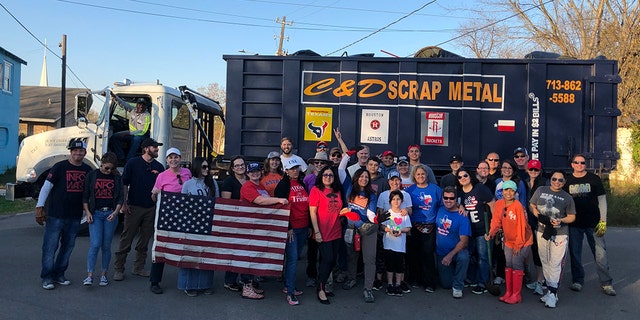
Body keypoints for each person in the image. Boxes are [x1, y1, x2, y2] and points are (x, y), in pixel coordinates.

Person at [36, 140, 92, 290]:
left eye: (81, 151)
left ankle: (59, 274)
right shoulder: (59, 167)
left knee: (67, 247)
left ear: (85, 153)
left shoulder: (87, 170)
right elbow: (46, 186)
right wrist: (40, 206)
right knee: (50, 247)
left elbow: (90, 192)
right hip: (55, 214)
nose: (78, 153)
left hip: (74, 216)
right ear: (70, 151)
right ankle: (47, 277)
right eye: (75, 150)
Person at [564, 154, 617, 296]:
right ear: (572, 164)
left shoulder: (594, 179)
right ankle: (577, 281)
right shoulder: (567, 181)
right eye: (577, 162)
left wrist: (603, 221)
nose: (580, 165)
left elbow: (602, 200)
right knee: (575, 254)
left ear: (585, 164)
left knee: (600, 254)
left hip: (594, 224)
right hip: (575, 224)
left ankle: (606, 283)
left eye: (582, 162)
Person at [113, 138, 164, 283]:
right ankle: (118, 268)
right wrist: (124, 203)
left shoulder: (159, 167)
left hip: (151, 208)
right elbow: (124, 184)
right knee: (126, 238)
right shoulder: (133, 163)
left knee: (144, 240)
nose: (157, 149)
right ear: (146, 148)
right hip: (133, 206)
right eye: (154, 147)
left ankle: (138, 267)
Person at [240, 162, 289, 299]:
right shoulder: (247, 186)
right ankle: (246, 286)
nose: (255, 174)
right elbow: (260, 201)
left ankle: (251, 284)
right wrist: (279, 200)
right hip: (249, 227)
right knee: (248, 256)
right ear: (247, 173)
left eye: (257, 171)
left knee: (254, 255)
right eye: (252, 172)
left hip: (258, 227)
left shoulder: (260, 185)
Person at [149, 147, 192, 294]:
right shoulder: (161, 176)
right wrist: (155, 193)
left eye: (176, 157)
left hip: (184, 215)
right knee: (162, 246)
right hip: (167, 216)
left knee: (185, 246)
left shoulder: (187, 173)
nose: (173, 160)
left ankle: (186, 281)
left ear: (180, 158)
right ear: (166, 160)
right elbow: (154, 198)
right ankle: (155, 281)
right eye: (170, 158)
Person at [530, 170, 576, 308]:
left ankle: (553, 293)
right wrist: (537, 214)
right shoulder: (540, 190)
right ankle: (549, 291)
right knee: (545, 261)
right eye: (554, 179)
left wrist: (561, 220)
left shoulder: (567, 197)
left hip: (559, 233)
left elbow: (572, 216)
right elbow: (532, 204)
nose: (557, 182)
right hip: (542, 231)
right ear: (550, 179)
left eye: (560, 180)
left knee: (556, 263)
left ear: (564, 182)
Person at [485, 180, 533, 304]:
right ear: (502, 192)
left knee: (517, 263)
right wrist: (491, 233)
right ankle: (508, 292)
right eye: (506, 190)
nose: (508, 193)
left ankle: (516, 295)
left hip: (522, 240)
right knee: (509, 264)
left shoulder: (518, 206)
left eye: (512, 190)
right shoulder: (499, 204)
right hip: (508, 240)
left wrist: (518, 244)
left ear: (515, 192)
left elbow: (522, 227)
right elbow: (496, 221)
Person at [82, 152, 124, 287]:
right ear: (101, 164)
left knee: (106, 246)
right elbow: (85, 196)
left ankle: (104, 275)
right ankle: (89, 275)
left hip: (110, 213)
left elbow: (120, 198)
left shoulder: (116, 177)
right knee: (95, 244)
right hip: (96, 213)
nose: (109, 171)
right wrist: (87, 212)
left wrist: (116, 212)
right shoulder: (92, 175)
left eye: (112, 169)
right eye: (106, 168)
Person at [178, 157, 218, 297]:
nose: (207, 169)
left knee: (206, 254)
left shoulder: (212, 184)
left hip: (208, 223)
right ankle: (189, 284)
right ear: (196, 168)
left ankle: (205, 284)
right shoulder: (188, 184)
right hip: (191, 224)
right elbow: (182, 204)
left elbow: (217, 203)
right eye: (203, 167)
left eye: (208, 167)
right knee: (191, 254)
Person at [340, 168, 381, 303]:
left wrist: (354, 212)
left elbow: (370, 215)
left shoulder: (372, 195)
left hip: (368, 229)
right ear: (356, 177)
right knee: (351, 256)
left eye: (367, 177)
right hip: (351, 229)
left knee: (369, 258)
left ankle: (368, 288)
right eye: (362, 176)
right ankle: (352, 279)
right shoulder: (349, 189)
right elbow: (341, 169)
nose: (364, 179)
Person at [274, 158, 310, 306]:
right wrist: (287, 227)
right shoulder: (283, 186)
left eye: (296, 168)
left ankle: (288, 285)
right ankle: (290, 292)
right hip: (292, 229)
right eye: (292, 168)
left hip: (303, 227)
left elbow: (306, 206)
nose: (295, 170)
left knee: (294, 258)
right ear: (286, 171)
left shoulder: (301, 184)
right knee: (293, 259)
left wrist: (308, 226)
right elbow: (280, 208)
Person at [309, 165, 344, 304]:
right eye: (325, 175)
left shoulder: (337, 190)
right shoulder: (316, 190)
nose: (328, 177)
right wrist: (316, 231)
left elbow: (338, 209)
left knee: (333, 260)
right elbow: (312, 212)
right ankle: (321, 288)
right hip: (322, 231)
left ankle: (323, 285)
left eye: (330, 175)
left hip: (336, 230)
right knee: (327, 259)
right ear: (321, 176)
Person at [456, 167, 495, 295]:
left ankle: (483, 282)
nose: (462, 178)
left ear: (470, 176)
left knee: (483, 256)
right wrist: (460, 205)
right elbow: (457, 204)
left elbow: (492, 202)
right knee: (471, 255)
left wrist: (495, 225)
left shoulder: (479, 189)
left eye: (465, 176)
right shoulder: (460, 192)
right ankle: (472, 278)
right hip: (469, 230)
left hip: (482, 228)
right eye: (460, 177)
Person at [405, 164, 443, 292]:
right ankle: (415, 279)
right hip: (414, 225)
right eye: (418, 174)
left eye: (423, 174)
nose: (421, 176)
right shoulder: (410, 191)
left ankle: (429, 282)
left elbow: (445, 205)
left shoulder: (436, 189)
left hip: (430, 226)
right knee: (414, 254)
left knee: (427, 254)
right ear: (414, 176)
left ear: (427, 175)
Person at [376, 171, 413, 294]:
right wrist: (386, 229)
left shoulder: (406, 195)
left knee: (400, 262)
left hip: (401, 235)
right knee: (386, 259)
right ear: (388, 181)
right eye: (392, 180)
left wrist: (405, 211)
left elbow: (409, 212)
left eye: (397, 180)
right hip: (387, 233)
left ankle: (399, 283)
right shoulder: (383, 195)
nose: (395, 182)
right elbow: (380, 214)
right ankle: (384, 281)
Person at [435, 186, 471, 299]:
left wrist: (450, 255)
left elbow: (464, 241)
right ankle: (458, 275)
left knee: (464, 256)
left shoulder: (462, 216)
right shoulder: (439, 209)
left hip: (456, 252)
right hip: (441, 252)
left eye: (451, 198)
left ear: (456, 199)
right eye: (445, 198)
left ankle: (458, 285)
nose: (448, 200)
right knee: (446, 284)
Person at [220, 155, 248, 292]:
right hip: (235, 222)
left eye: (242, 164)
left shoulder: (249, 180)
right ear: (232, 168)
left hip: (249, 221)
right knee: (234, 251)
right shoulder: (229, 181)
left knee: (246, 251)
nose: (240, 167)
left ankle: (245, 279)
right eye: (237, 165)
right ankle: (229, 280)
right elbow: (227, 204)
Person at [523, 159, 547, 295]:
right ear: (527, 170)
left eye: (536, 170)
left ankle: (540, 281)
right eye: (531, 169)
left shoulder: (543, 183)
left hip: (539, 221)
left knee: (539, 252)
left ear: (540, 171)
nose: (533, 172)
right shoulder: (525, 183)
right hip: (528, 221)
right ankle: (533, 278)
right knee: (530, 249)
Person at [109, 95, 151, 162]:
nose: (141, 106)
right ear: (137, 104)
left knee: (136, 140)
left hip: (142, 135)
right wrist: (115, 97)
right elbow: (123, 104)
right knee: (115, 137)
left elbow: (142, 131)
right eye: (139, 104)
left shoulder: (147, 116)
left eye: (143, 105)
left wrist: (126, 133)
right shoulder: (133, 110)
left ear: (146, 107)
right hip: (131, 133)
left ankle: (129, 161)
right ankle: (121, 157)